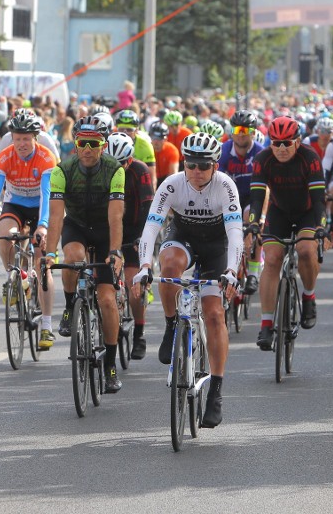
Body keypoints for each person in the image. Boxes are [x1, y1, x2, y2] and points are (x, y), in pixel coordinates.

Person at [133, 133, 242, 427]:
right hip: (183, 239)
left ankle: (216, 391)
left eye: (203, 166)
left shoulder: (225, 187)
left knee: (214, 314)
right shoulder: (171, 184)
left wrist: (231, 271)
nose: (196, 172)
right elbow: (151, 227)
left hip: (216, 248)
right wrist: (144, 265)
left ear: (215, 166)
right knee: (168, 267)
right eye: (190, 164)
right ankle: (171, 325)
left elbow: (235, 234)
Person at [44, 116, 126, 393]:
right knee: (74, 258)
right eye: (82, 143)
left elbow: (116, 218)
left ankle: (111, 364)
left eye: (94, 143)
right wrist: (48, 253)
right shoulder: (62, 171)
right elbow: (56, 218)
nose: (88, 149)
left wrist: (115, 252)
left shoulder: (115, 170)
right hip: (77, 226)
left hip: (105, 231)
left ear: (103, 145)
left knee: (106, 300)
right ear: (75, 144)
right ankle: (70, 306)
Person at [247, 116, 326, 350]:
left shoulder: (310, 158)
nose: (281, 148)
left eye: (287, 143)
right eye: (276, 142)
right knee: (271, 259)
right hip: (279, 212)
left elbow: (319, 198)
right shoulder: (263, 159)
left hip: (307, 213)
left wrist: (321, 225)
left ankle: (309, 296)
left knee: (305, 250)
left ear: (298, 142)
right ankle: (266, 323)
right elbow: (257, 197)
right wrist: (253, 223)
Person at [0, 113, 57, 348]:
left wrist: (43, 226)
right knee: (6, 237)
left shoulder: (46, 157)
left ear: (35, 138)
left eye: (26, 139)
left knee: (42, 265)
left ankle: (46, 325)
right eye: (17, 139)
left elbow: (46, 195)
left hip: (40, 209)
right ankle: (14, 277)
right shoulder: (4, 157)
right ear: (11, 138)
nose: (21, 144)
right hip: (16, 205)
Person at [104, 132, 154, 359]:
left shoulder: (141, 171)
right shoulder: (101, 170)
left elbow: (148, 208)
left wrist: (142, 238)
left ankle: (139, 334)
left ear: (130, 159)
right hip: (109, 230)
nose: (119, 168)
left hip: (134, 231)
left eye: (123, 163)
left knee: (134, 290)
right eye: (114, 164)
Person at [218, 110, 264, 294]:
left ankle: (252, 273)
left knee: (254, 223)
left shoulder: (260, 152)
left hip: (253, 196)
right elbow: (217, 180)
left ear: (253, 132)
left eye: (245, 130)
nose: (241, 133)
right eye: (237, 129)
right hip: (230, 196)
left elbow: (264, 188)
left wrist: (259, 217)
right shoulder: (223, 150)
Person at [114, 109, 157, 189]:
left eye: (129, 130)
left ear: (136, 130)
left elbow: (152, 177)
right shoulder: (110, 141)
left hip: (136, 184)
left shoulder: (145, 145)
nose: (125, 133)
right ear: (116, 128)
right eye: (121, 129)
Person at [150, 121, 179, 187]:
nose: (156, 142)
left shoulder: (172, 150)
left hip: (166, 178)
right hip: (151, 177)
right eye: (154, 138)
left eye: (160, 139)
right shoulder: (147, 149)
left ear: (165, 139)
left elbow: (173, 174)